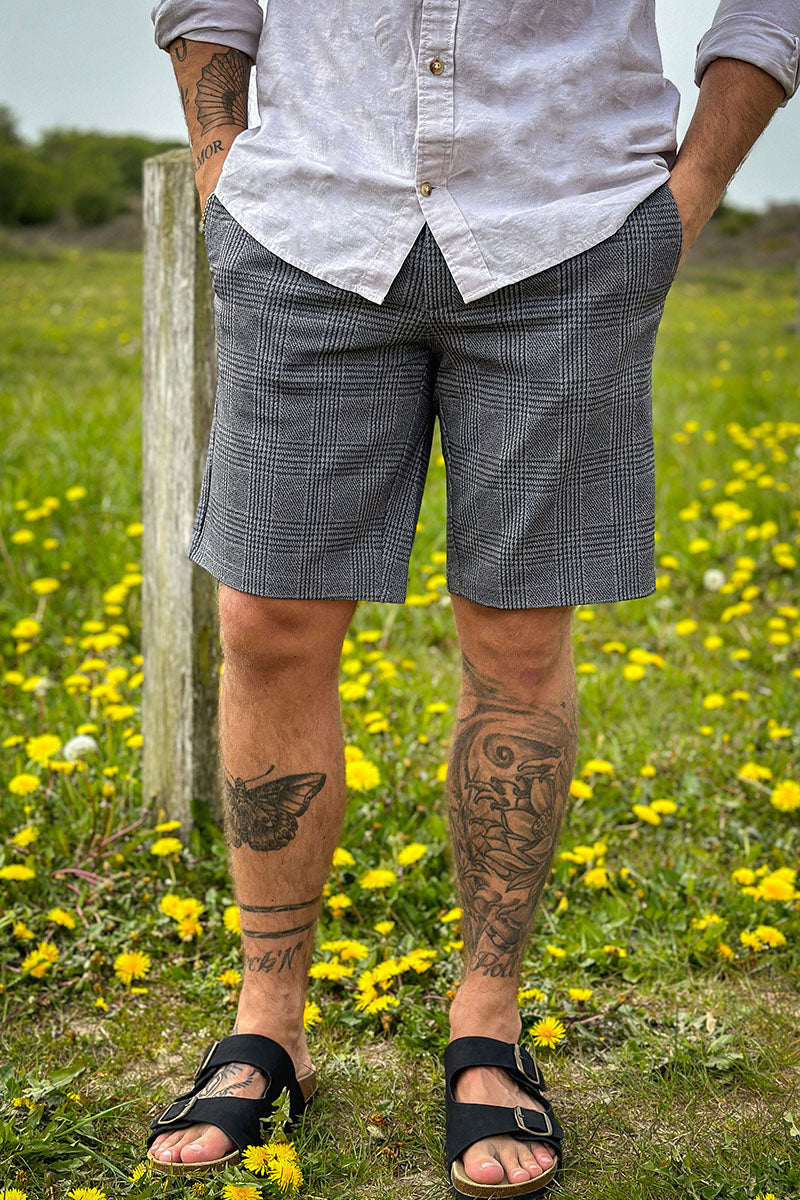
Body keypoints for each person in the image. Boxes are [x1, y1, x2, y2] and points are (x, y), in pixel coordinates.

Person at [145, 2, 798, 1194]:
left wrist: (693, 185)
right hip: (307, 219)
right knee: (265, 622)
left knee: (518, 642)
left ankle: (486, 1021)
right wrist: (217, 157)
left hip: (569, 226)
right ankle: (266, 1022)